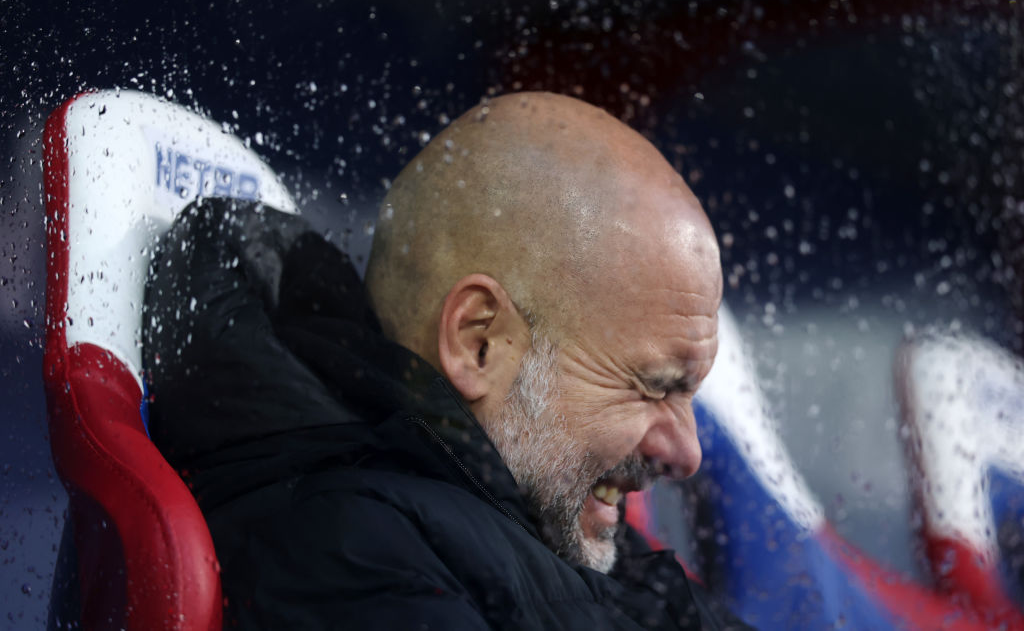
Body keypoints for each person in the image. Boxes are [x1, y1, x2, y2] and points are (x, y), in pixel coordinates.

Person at [145, 92, 748, 629]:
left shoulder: (547, 517)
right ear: (477, 342)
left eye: (687, 394)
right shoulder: (355, 554)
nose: (687, 453)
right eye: (650, 387)